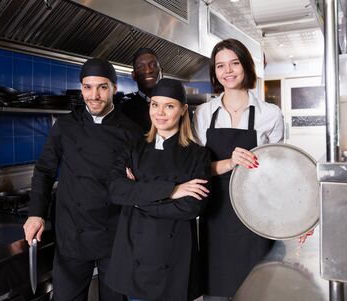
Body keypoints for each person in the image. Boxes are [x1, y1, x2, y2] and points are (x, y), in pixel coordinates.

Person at [23, 58, 142, 301]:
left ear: (114, 89)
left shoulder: (132, 132)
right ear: (81, 88)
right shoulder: (65, 126)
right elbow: (45, 170)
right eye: (88, 87)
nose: (94, 95)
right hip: (72, 231)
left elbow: (141, 180)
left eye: (102, 87)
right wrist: (36, 214)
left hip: (114, 232)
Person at [192, 39, 284, 300]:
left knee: (257, 291)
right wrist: (230, 163)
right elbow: (197, 170)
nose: (227, 71)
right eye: (220, 65)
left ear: (246, 65)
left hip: (256, 216)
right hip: (215, 216)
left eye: (234, 63)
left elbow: (277, 172)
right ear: (214, 72)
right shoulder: (203, 113)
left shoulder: (270, 114)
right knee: (217, 292)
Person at [106, 78, 211, 301]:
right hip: (136, 259)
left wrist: (137, 198)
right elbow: (116, 190)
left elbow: (192, 206)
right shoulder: (132, 148)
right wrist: (172, 191)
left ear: (183, 110)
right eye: (155, 104)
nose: (160, 112)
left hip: (174, 264)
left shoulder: (197, 154)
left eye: (169, 106)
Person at [120, 47, 162, 132]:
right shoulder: (124, 110)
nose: (147, 70)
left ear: (161, 71)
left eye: (153, 65)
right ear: (133, 75)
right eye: (140, 67)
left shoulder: (175, 105)